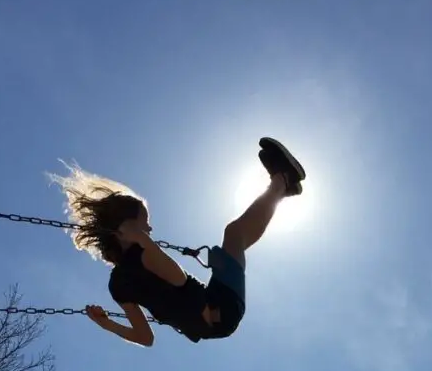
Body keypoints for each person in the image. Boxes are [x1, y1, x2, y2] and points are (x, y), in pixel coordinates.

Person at [51, 137, 306, 347]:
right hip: (222, 308)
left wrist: (106, 323)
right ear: (126, 227)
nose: (149, 227)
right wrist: (143, 241)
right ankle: (282, 181)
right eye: (145, 221)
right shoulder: (141, 256)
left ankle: (283, 187)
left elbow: (144, 337)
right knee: (234, 235)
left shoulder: (117, 283)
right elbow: (178, 280)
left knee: (234, 240)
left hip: (211, 315)